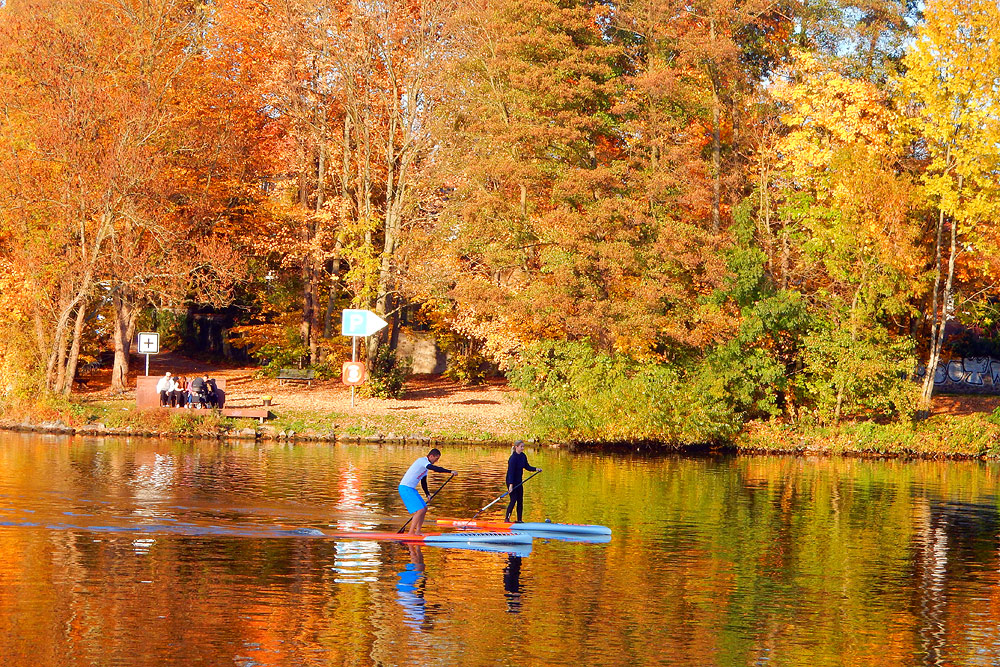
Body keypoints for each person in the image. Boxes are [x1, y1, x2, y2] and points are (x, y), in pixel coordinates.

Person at [398, 448, 455, 535]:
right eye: (436, 459)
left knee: (424, 508)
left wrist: (427, 494)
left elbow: (423, 482)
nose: (436, 461)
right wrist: (450, 471)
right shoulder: (422, 461)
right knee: (420, 509)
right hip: (405, 488)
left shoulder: (425, 467)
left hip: (411, 489)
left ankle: (418, 531)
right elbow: (434, 468)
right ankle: (410, 533)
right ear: (431, 456)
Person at [505, 440, 540, 523]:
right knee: (513, 500)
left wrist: (536, 469)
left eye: (523, 446)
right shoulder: (512, 458)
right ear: (516, 447)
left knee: (520, 500)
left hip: (519, 482)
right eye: (521, 447)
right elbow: (510, 473)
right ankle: (507, 519)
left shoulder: (523, 456)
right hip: (511, 482)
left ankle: (519, 520)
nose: (523, 448)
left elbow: (527, 466)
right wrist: (510, 485)